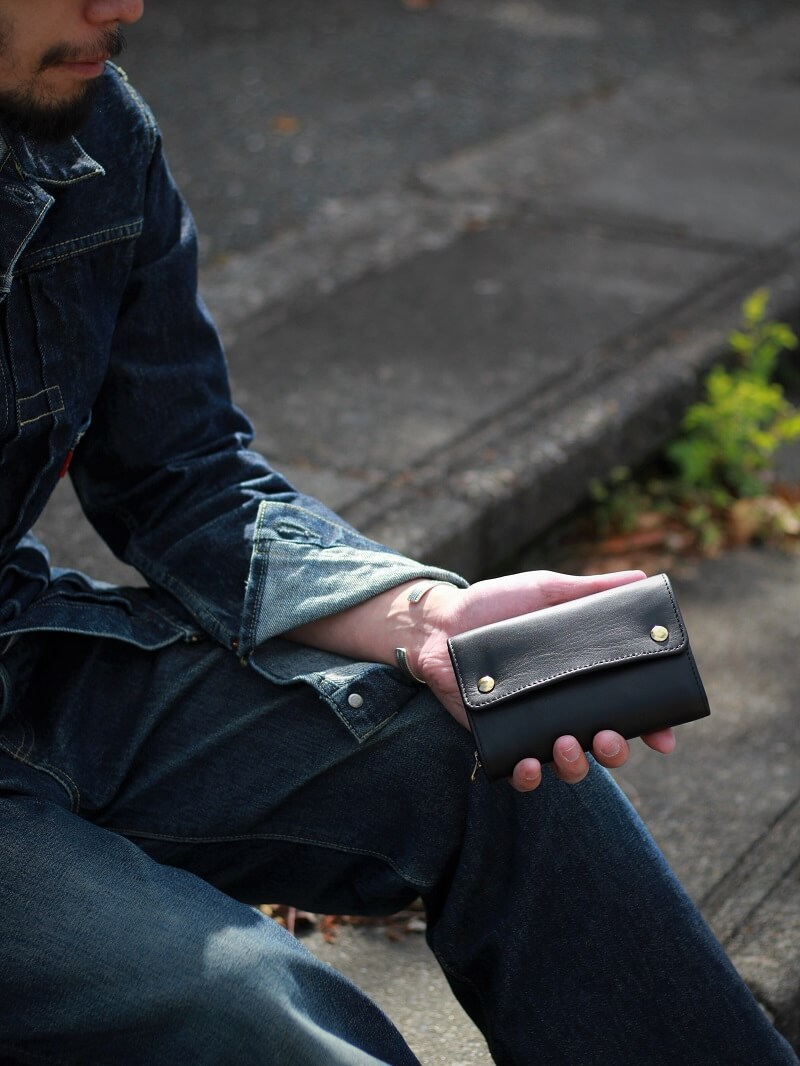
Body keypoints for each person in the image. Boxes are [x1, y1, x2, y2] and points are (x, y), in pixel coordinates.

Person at [0, 2, 796, 1063]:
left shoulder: (96, 128)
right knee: (246, 1004)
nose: (125, 6)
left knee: (487, 741)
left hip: (28, 664)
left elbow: (182, 475)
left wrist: (428, 618)